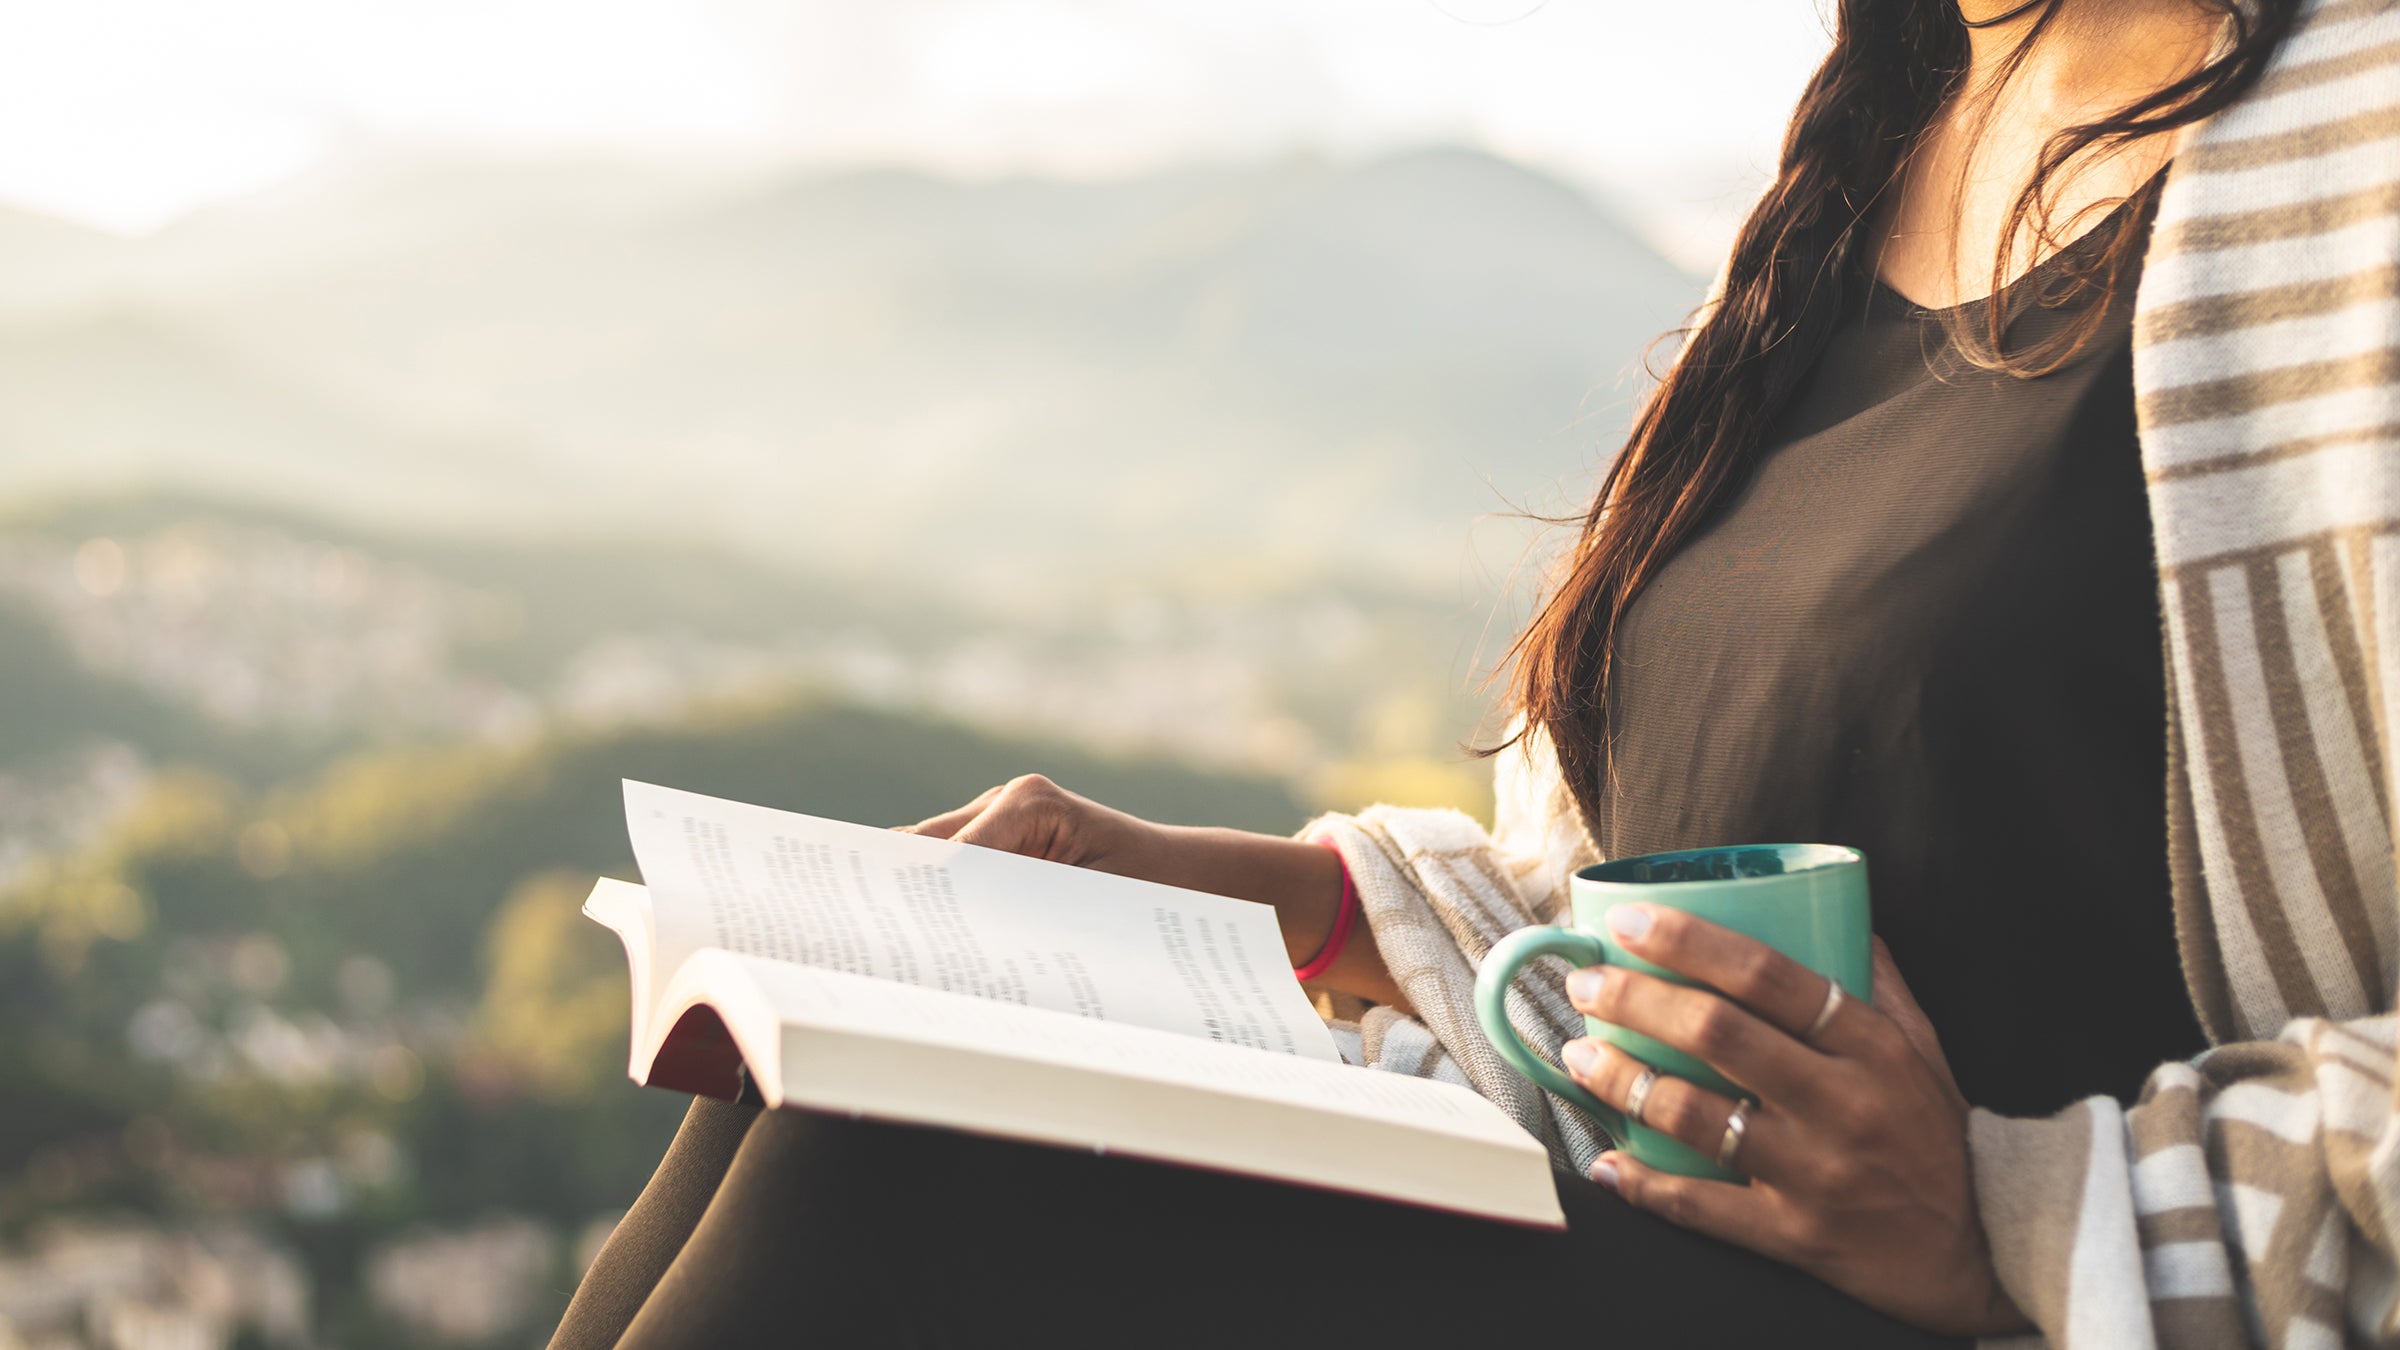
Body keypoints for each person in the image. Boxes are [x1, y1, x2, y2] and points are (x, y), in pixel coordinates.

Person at [555, 0, 2400, 1343]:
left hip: (1967, 1316)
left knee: (896, 1185)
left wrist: (2007, 1210)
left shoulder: (2356, 164)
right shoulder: (1887, 143)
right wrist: (1274, 903)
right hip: (1641, 1243)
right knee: (817, 1091)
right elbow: (1653, 883)